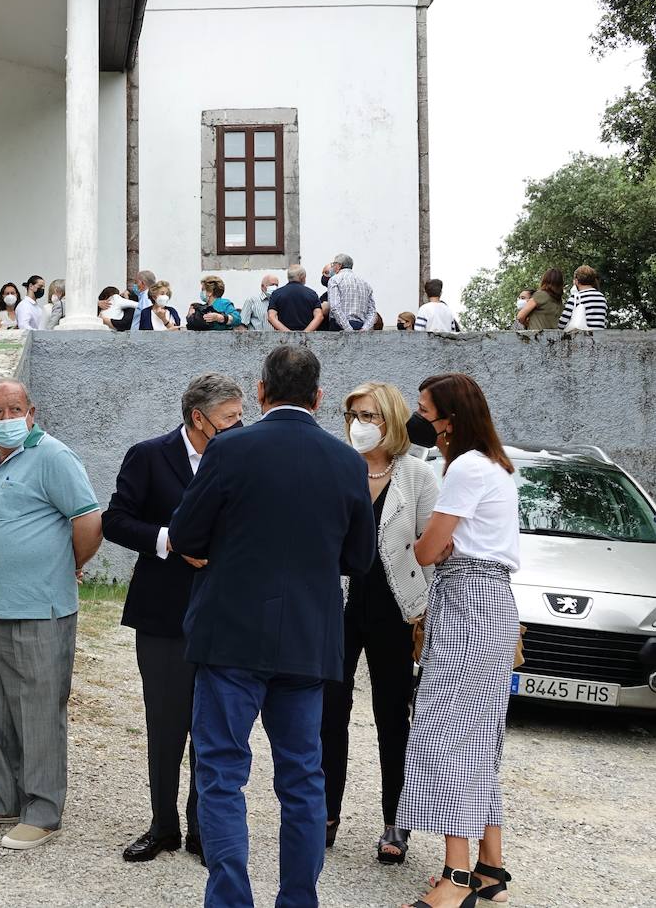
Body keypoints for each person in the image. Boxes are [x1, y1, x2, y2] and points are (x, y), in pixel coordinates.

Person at [168, 345, 376, 908]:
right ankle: (298, 900)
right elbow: (359, 559)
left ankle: (231, 898)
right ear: (320, 397)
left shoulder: (231, 449)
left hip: (231, 632)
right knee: (303, 780)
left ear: (260, 392)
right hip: (307, 638)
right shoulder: (348, 463)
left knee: (220, 773)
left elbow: (185, 535)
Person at [0, 378, 103, 850]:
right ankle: (2, 797)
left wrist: (71, 565)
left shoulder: (53, 456)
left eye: (13, 409)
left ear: (31, 412)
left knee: (39, 709)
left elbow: (88, 520)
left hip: (39, 606)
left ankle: (42, 809)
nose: (5, 420)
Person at [103, 373, 244, 865]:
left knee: (215, 726)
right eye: (229, 419)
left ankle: (203, 829)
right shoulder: (148, 455)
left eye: (240, 416)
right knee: (166, 726)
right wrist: (170, 541)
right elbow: (115, 520)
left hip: (225, 612)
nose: (238, 426)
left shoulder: (244, 455)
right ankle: (162, 824)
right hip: (163, 613)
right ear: (198, 419)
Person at [397, 374, 520, 908]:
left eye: (426, 410)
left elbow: (427, 551)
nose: (421, 420)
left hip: (468, 602)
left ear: (450, 417)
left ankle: (458, 878)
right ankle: (490, 866)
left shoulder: (467, 466)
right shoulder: (494, 462)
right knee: (480, 735)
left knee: (451, 737)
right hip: (489, 603)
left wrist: (428, 545)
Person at [322, 383, 440, 866]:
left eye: (368, 415)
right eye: (352, 415)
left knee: (393, 718)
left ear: (390, 420)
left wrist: (430, 611)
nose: (358, 425)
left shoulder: (417, 476)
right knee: (330, 711)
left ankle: (397, 820)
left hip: (395, 609)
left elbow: (434, 548)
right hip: (338, 606)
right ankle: (326, 814)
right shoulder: (337, 467)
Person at [327, 253, 376, 331]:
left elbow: (335, 307)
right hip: (360, 326)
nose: (332, 267)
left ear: (339, 265)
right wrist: (365, 328)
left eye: (334, 264)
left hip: (339, 327)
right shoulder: (365, 283)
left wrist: (348, 329)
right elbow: (372, 311)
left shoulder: (334, 280)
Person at [267, 265, 324, 332]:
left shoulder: (276, 294)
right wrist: (305, 334)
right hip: (307, 340)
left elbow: (271, 317)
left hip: (283, 340)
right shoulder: (312, 294)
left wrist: (288, 333)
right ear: (302, 277)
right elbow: (319, 316)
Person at [558, 265, 608, 330]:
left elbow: (562, 323)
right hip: (598, 337)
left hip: (583, 337)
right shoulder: (601, 297)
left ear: (576, 281)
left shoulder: (576, 297)